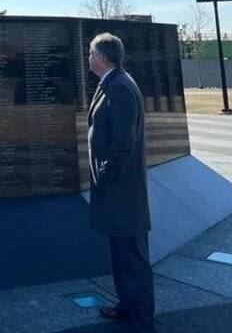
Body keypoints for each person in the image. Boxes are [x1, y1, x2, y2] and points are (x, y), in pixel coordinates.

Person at [87, 32, 155, 332]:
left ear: (101, 58)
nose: (88, 58)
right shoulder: (112, 84)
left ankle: (143, 320)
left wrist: (104, 174)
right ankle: (126, 305)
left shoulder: (121, 88)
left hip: (123, 191)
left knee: (133, 256)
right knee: (121, 254)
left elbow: (123, 143)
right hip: (116, 191)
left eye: (90, 53)